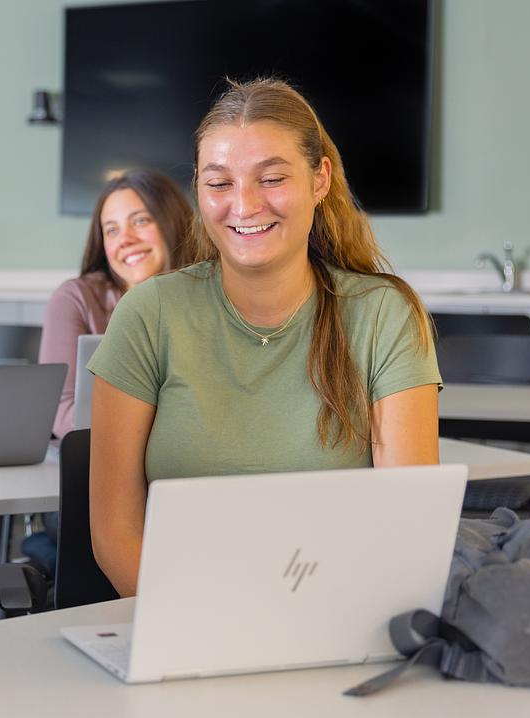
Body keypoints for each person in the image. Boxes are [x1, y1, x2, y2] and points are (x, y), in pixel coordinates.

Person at [87, 77, 439, 597]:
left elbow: (407, 523)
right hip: (178, 620)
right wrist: (187, 630)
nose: (244, 205)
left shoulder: (384, 314)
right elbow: (116, 534)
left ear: (320, 179)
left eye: (271, 178)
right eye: (219, 183)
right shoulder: (149, 313)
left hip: (335, 615)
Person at [39, 170, 194, 440]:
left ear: (173, 222)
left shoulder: (212, 295)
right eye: (112, 230)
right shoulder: (75, 298)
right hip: (103, 457)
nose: (125, 239)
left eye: (141, 221)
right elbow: (60, 411)